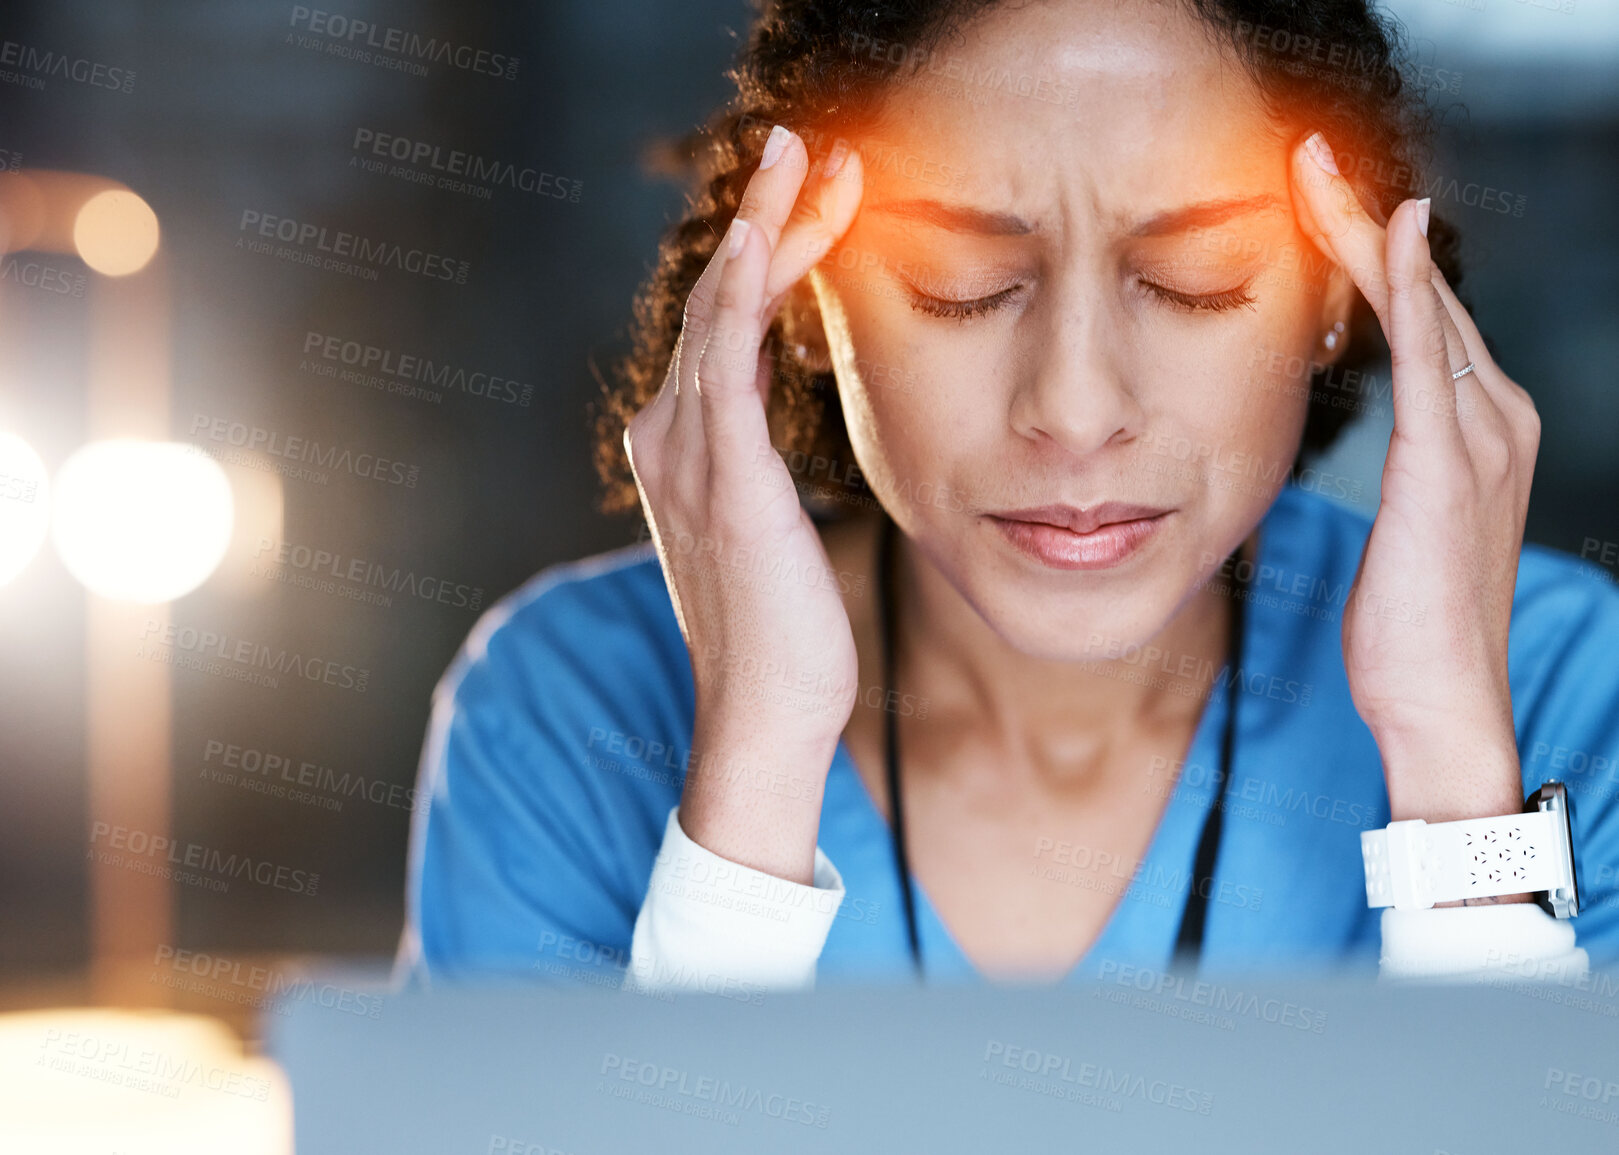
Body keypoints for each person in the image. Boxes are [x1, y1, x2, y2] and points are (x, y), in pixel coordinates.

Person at [398, 0, 1619, 991]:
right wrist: (756, 773)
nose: (1077, 410)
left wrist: (1459, 779)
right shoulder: (566, 710)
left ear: (1342, 295)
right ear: (806, 300)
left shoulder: (1568, 688)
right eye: (960, 280)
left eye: (1197, 279)